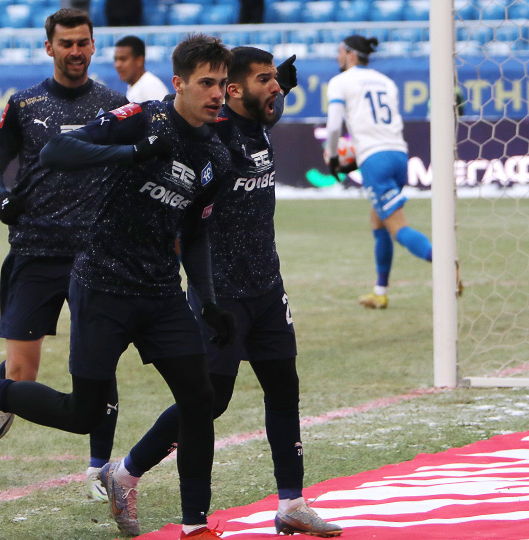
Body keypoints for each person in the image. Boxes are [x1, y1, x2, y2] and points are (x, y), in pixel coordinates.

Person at [0, 33, 236, 540]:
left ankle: (194, 526)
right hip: (102, 284)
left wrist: (207, 303)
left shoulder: (216, 156)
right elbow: (56, 151)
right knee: (83, 414)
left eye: (223, 84)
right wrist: (133, 152)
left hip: (161, 293)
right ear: (179, 83)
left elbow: (197, 233)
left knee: (199, 399)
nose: (217, 94)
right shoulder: (144, 118)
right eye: (207, 83)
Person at [101, 48, 343, 538]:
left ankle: (292, 503)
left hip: (267, 287)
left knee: (284, 390)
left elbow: (267, 106)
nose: (275, 88)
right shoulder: (214, 136)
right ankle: (125, 472)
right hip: (221, 294)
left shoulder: (257, 121)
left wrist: (278, 86)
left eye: (275, 79)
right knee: (209, 401)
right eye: (264, 79)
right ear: (232, 90)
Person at [0, 7, 128, 502]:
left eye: (83, 42)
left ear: (93, 45)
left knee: (99, 365)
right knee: (25, 373)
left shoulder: (114, 104)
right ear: (49, 47)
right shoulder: (24, 103)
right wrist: (2, 198)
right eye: (66, 43)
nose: (76, 51)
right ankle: (4, 387)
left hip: (95, 255)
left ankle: (98, 469)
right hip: (35, 250)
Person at [324, 35, 433, 310]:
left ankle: (444, 261)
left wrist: (333, 157)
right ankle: (380, 291)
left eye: (339, 52)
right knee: (378, 221)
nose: (337, 56)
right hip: (398, 155)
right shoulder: (386, 82)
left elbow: (334, 126)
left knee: (398, 227)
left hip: (375, 159)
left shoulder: (340, 81)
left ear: (351, 54)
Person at [113, 35, 170, 103]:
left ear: (139, 60)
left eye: (123, 59)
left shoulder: (151, 86)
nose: (117, 65)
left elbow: (162, 110)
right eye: (115, 59)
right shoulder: (137, 85)